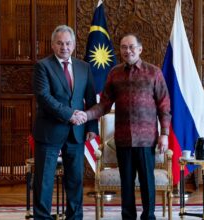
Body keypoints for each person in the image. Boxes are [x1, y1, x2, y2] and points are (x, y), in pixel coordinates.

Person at [77, 33, 171, 220]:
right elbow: (104, 105)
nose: (127, 51)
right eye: (123, 47)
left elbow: (164, 105)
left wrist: (165, 134)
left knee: (147, 183)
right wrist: (86, 115)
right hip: (123, 139)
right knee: (126, 184)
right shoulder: (115, 73)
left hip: (146, 140)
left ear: (140, 49)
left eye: (131, 47)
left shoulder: (154, 73)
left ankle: (148, 216)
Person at [32, 24, 98, 220]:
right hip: (49, 131)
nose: (64, 47)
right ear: (53, 45)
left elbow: (91, 99)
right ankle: (42, 217)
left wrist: (92, 126)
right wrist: (70, 114)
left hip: (77, 132)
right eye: (60, 43)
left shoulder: (84, 67)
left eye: (68, 43)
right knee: (44, 181)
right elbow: (44, 97)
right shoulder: (42, 66)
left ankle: (75, 217)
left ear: (74, 44)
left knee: (75, 180)